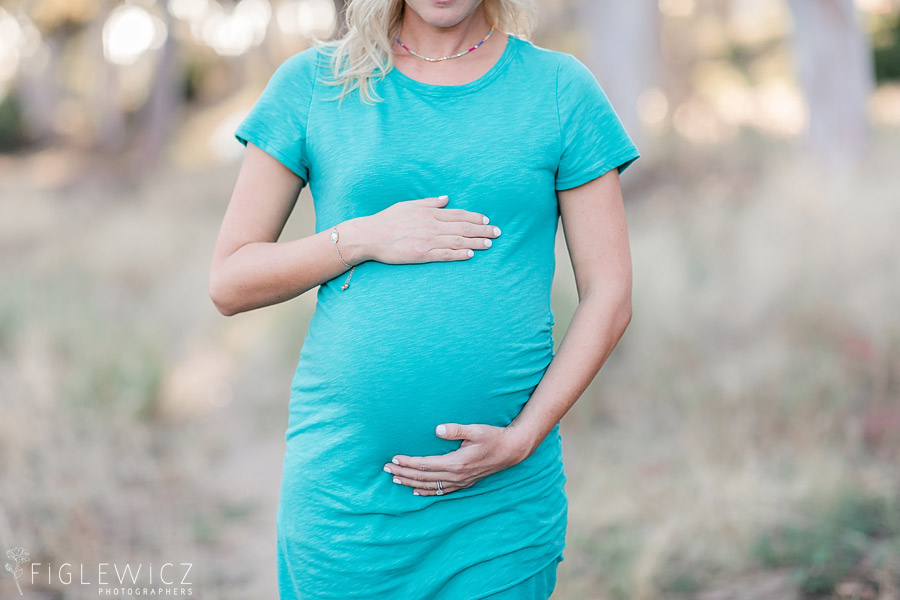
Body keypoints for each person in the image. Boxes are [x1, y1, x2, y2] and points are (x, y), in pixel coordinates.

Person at [208, 0, 640, 597]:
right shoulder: (314, 84)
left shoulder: (559, 89)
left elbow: (610, 293)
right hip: (345, 501)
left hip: (500, 502)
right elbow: (230, 280)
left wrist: (521, 440)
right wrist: (362, 236)